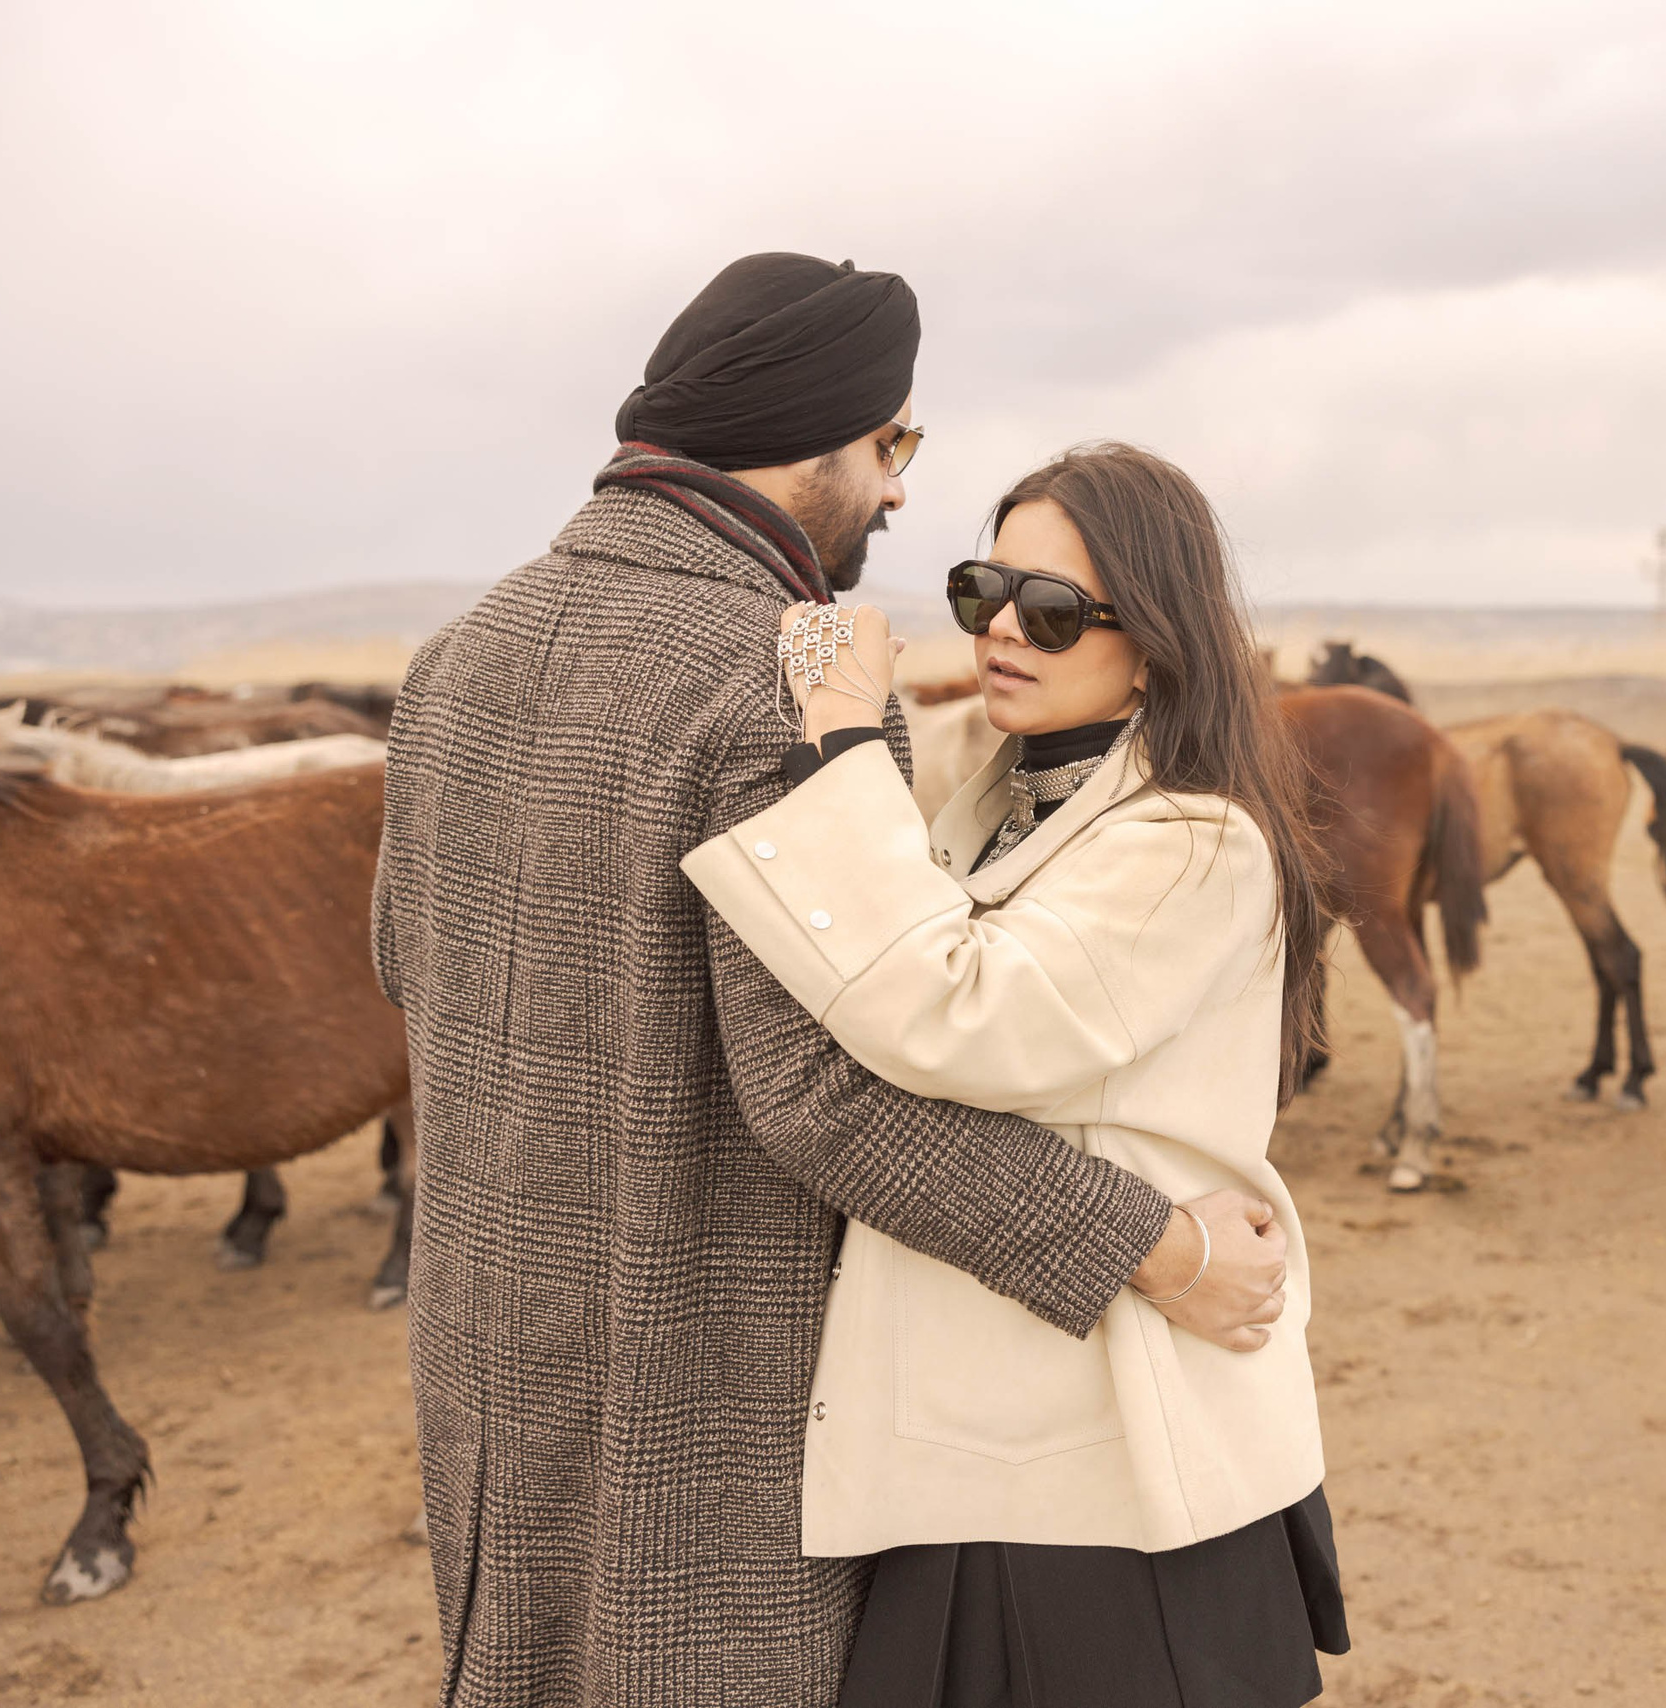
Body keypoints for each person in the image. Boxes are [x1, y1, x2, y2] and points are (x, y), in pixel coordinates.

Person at [371, 256, 1285, 1708]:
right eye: (891, 448)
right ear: (811, 442)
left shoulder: (454, 659)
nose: (902, 495)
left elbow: (406, 969)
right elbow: (830, 1106)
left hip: (485, 1352)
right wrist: (1151, 1246)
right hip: (704, 1378)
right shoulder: (781, 675)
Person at [683, 442, 1350, 1707]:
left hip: (1101, 1465)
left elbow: (956, 1015)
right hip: (984, 1431)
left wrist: (838, 742)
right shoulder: (1001, 798)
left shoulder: (1195, 839)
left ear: (1153, 642)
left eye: (1052, 612)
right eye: (983, 591)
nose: (1004, 631)